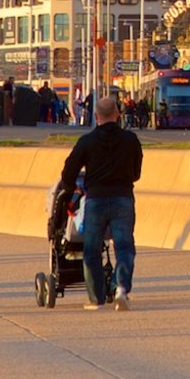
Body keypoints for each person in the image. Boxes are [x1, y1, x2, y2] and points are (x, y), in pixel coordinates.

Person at [58, 90, 144, 308]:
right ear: (117, 114)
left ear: (96, 116)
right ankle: (121, 287)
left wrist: (72, 190)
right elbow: (136, 173)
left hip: (95, 199)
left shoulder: (87, 141)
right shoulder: (131, 140)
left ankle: (96, 298)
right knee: (124, 247)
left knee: (92, 248)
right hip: (123, 198)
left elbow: (68, 173)